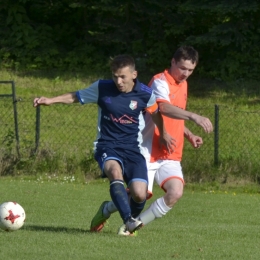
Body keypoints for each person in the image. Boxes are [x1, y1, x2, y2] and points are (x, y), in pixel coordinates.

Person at [33, 54, 176, 234]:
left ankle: (107, 210)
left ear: (134, 74)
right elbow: (76, 96)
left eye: (122, 76)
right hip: (107, 145)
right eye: (115, 76)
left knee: (140, 194)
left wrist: (163, 133)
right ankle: (129, 221)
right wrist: (50, 100)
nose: (118, 81)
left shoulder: (145, 94)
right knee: (114, 172)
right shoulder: (102, 87)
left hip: (132, 149)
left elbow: (156, 114)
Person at [90, 46, 213, 235]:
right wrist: (194, 116)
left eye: (190, 70)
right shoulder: (159, 82)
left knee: (175, 192)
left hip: (170, 152)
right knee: (137, 195)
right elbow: (163, 109)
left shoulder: (183, 85)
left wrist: (188, 134)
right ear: (172, 62)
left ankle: (134, 226)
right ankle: (106, 209)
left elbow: (173, 117)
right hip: (147, 149)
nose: (185, 74)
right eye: (182, 68)